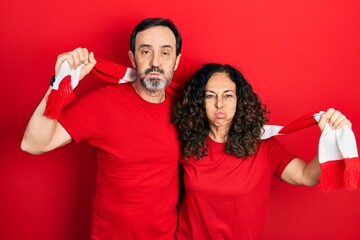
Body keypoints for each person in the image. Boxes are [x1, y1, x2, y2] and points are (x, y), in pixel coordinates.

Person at [21, 18, 182, 240]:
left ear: (176, 61)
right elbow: (34, 143)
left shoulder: (184, 108)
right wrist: (59, 83)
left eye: (165, 53)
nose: (155, 62)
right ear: (132, 58)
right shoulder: (103, 104)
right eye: (145, 51)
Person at [171, 63, 352, 240]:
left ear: (239, 100)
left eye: (228, 95)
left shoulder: (263, 146)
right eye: (210, 96)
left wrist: (330, 138)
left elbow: (307, 176)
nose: (219, 104)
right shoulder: (186, 143)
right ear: (199, 102)